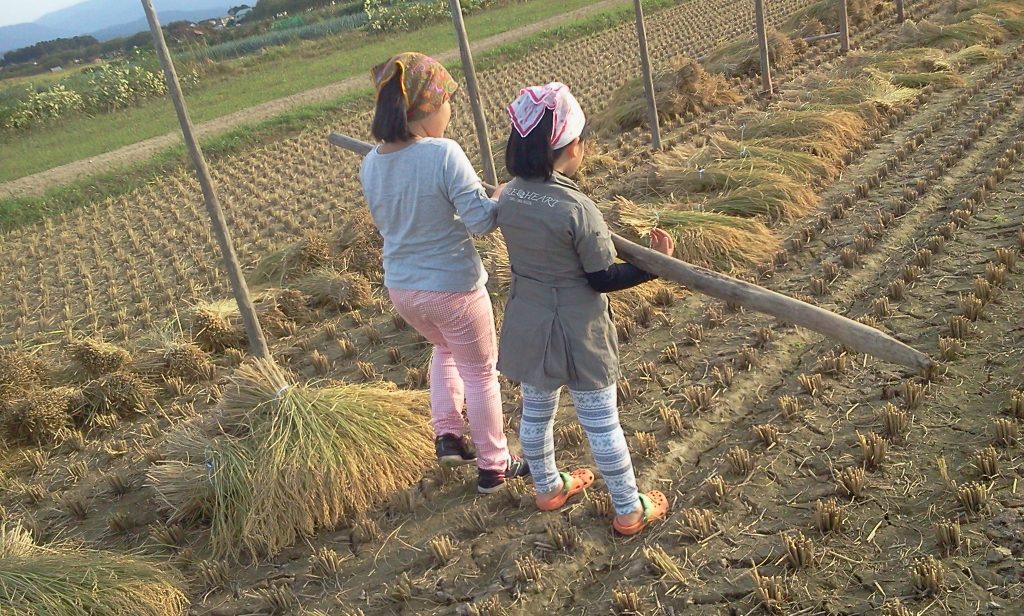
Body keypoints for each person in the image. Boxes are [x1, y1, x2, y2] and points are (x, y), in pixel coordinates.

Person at [496, 82, 673, 535]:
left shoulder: (509, 196)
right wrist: (654, 266)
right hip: (578, 330)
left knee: (535, 414)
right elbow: (601, 278)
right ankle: (629, 509)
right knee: (601, 423)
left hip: (529, 321)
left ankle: (548, 486)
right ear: (571, 147)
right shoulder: (578, 207)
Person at [359, 52, 529, 493]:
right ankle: (495, 464)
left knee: (445, 351)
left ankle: (448, 435)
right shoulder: (443, 153)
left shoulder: (371, 163)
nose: (450, 111)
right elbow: (481, 222)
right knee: (481, 373)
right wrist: (503, 198)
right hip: (452, 286)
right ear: (427, 109)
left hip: (403, 287)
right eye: (447, 102)